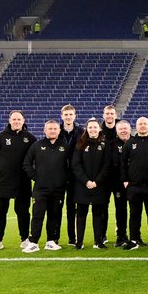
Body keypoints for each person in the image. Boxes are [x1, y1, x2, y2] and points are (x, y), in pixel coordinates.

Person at [0, 110, 36, 251]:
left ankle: (25, 239)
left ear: (23, 121)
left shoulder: (30, 138)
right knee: (0, 211)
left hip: (23, 181)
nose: (16, 121)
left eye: (19, 119)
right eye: (14, 119)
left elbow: (34, 157)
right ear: (9, 120)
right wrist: (2, 166)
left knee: (23, 212)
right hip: (4, 181)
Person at [21, 119, 69, 253]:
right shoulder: (37, 145)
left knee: (55, 215)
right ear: (45, 130)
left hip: (58, 189)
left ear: (59, 131)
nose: (53, 131)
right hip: (40, 189)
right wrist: (36, 178)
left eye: (55, 129)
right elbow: (27, 164)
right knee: (37, 215)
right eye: (50, 129)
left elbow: (71, 167)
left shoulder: (65, 147)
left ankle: (51, 241)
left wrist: (64, 180)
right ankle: (33, 242)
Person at [120, 116, 148, 250]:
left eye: (145, 124)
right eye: (140, 124)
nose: (143, 126)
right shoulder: (129, 143)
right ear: (136, 126)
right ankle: (133, 240)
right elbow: (123, 164)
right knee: (134, 214)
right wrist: (125, 181)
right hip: (134, 187)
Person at [72, 119, 111, 249]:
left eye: (95, 127)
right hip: (82, 186)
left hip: (100, 186)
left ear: (99, 129)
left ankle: (98, 241)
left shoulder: (105, 145)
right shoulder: (80, 144)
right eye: (90, 127)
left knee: (98, 214)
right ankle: (79, 242)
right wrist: (86, 181)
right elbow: (76, 165)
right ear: (86, 129)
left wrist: (97, 181)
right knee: (81, 214)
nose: (93, 129)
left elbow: (107, 165)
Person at [56, 104, 81, 246]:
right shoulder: (56, 131)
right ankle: (55, 238)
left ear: (74, 116)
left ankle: (73, 238)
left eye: (71, 114)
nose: (68, 117)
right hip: (58, 175)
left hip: (74, 176)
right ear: (62, 116)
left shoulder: (81, 132)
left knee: (72, 208)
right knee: (56, 208)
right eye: (66, 115)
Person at [107, 119, 131, 247]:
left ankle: (135, 237)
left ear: (129, 129)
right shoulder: (111, 145)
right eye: (120, 129)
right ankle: (121, 236)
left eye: (125, 128)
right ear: (116, 131)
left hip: (134, 183)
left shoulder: (135, 142)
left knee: (135, 211)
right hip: (117, 184)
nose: (123, 131)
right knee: (120, 210)